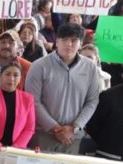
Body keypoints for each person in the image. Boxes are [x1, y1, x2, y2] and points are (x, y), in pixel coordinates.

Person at [24, 23, 101, 154]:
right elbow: (33, 101)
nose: (69, 44)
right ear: (57, 41)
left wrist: (75, 127)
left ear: (81, 44)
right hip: (43, 135)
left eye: (74, 40)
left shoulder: (90, 68)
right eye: (64, 39)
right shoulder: (39, 66)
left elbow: (92, 101)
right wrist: (55, 128)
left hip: (73, 138)